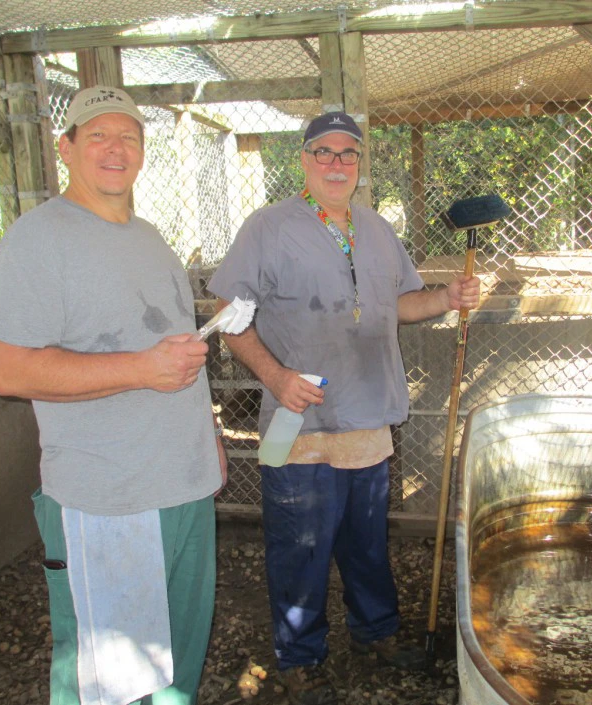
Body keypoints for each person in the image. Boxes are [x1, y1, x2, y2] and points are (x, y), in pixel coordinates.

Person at [207, 111, 480, 705]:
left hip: (367, 416)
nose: (336, 164)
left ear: (360, 164)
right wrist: (276, 378)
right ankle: (300, 659)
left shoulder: (376, 228)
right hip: (295, 421)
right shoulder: (269, 227)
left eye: (347, 154)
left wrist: (447, 298)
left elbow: (396, 306)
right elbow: (229, 314)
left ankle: (375, 634)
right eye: (323, 153)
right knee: (298, 545)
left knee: (365, 540)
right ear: (303, 161)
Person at [0, 86, 226, 705]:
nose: (116, 149)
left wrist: (211, 440)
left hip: (185, 488)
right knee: (110, 681)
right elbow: (7, 370)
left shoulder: (153, 240)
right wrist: (142, 368)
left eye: (130, 138)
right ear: (66, 149)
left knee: (176, 669)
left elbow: (177, 357)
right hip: (108, 501)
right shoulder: (38, 239)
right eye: (98, 136)